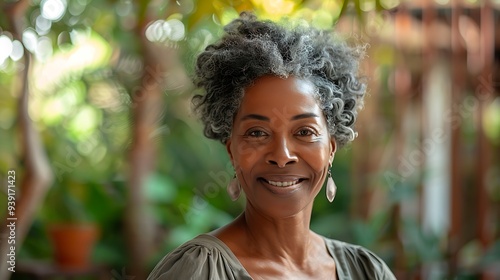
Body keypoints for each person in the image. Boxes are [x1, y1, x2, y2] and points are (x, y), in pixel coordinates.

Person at [148, 12, 396, 280]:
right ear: (232, 151)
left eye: (304, 131)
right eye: (257, 133)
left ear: (331, 148)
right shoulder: (199, 271)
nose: (282, 156)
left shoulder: (368, 271)